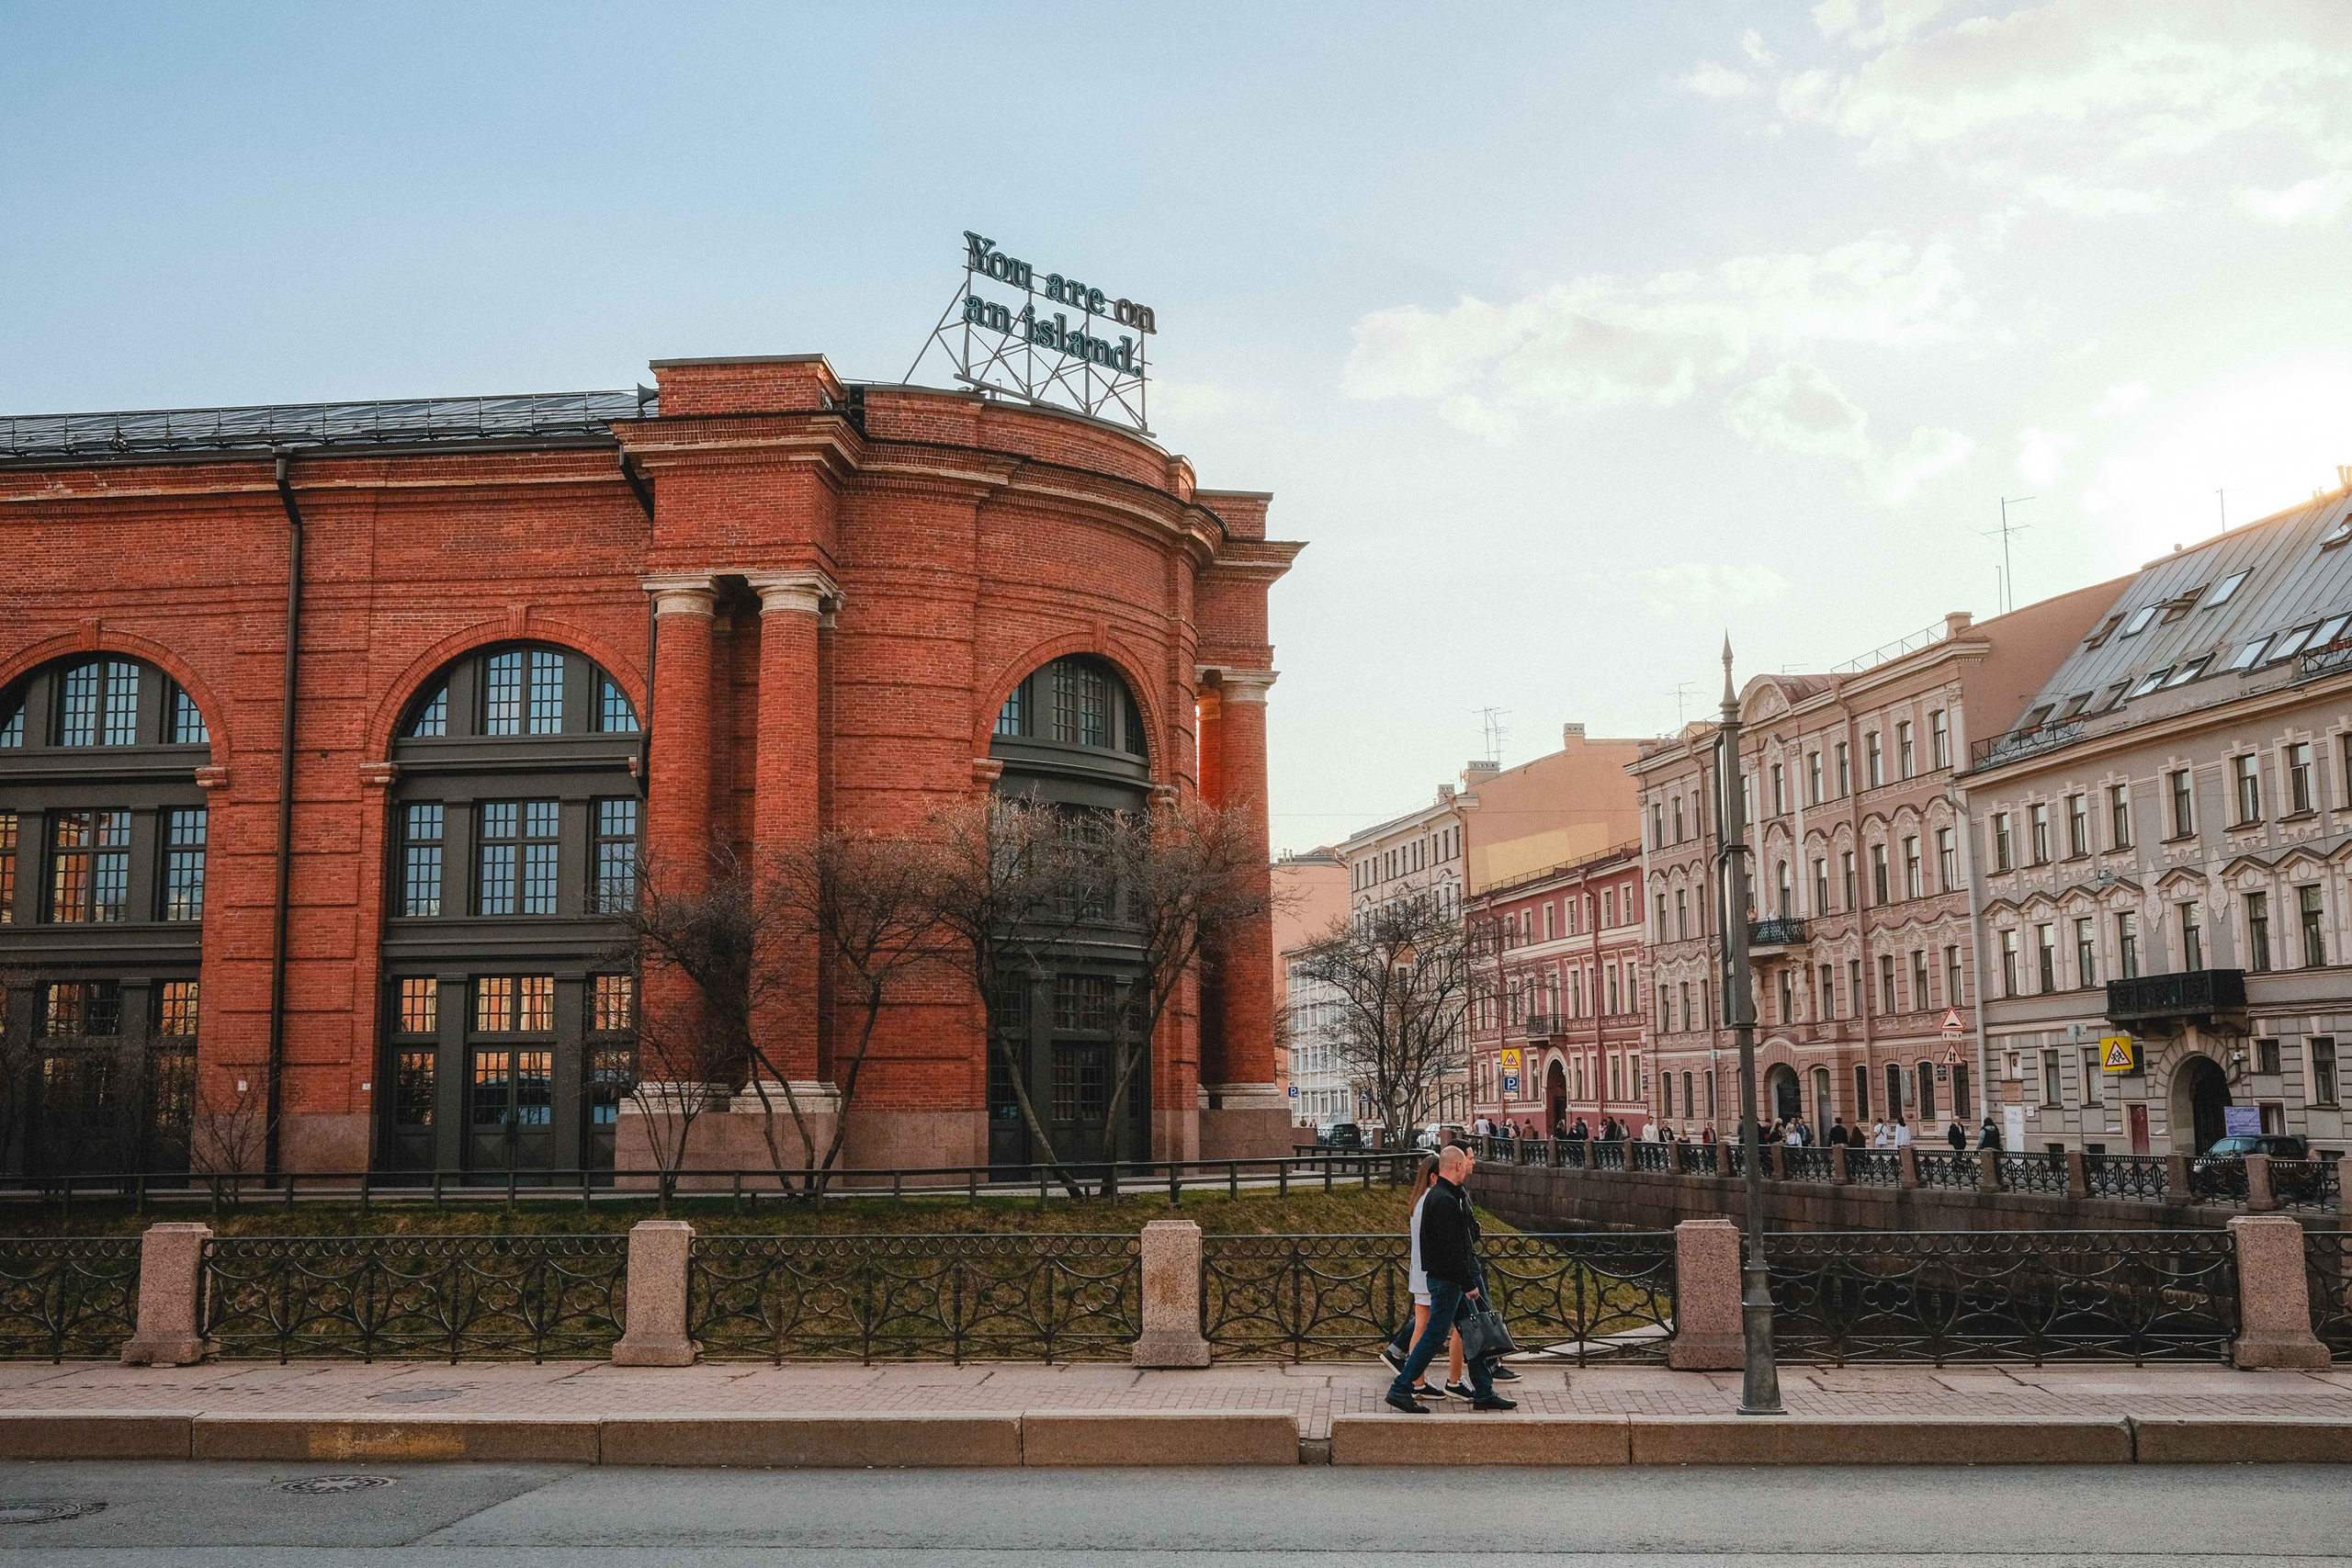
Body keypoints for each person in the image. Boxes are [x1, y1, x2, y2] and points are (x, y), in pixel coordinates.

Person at [1385, 1145, 1515, 1413]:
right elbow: (1451, 1248)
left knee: (1472, 1331)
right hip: (1448, 1281)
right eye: (1464, 1164)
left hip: (1449, 1278)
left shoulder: (1445, 1195)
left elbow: (1458, 1242)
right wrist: (1468, 1283)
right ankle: (1400, 1388)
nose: (1468, 1168)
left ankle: (1483, 1391)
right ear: (1456, 1166)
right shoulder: (1443, 1199)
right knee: (1434, 1336)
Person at [1380, 1155, 1464, 1400]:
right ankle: (1416, 1380)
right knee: (1426, 1328)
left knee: (1422, 1325)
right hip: (1431, 1271)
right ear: (1434, 1176)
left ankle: (1416, 1379)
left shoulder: (1418, 1200)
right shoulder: (1433, 1199)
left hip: (1420, 1269)